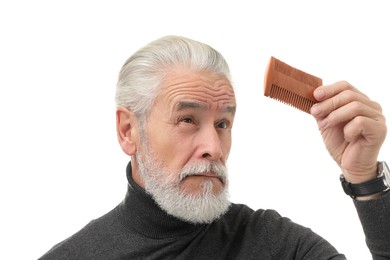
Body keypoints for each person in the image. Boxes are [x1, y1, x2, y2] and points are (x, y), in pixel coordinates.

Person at [39, 36, 390, 260]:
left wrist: (365, 180)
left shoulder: (273, 243)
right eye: (188, 120)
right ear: (128, 131)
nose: (213, 148)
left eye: (223, 124)